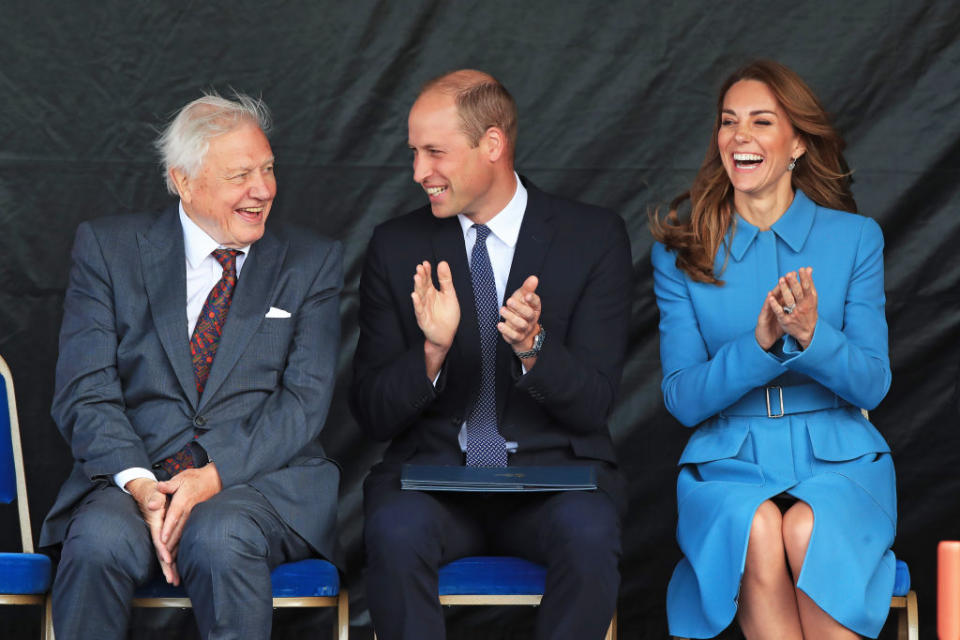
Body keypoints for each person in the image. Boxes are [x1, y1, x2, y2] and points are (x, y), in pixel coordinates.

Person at [39, 92, 343, 639]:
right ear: (183, 181)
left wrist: (212, 477)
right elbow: (86, 392)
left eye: (268, 169)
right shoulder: (109, 250)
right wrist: (139, 484)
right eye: (240, 175)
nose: (263, 190)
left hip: (259, 483)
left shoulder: (311, 261)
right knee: (98, 543)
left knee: (219, 536)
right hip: (135, 477)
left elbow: (304, 402)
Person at [351, 69, 632, 640]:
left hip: (555, 482)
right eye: (413, 153)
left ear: (493, 145)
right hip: (432, 483)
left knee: (591, 535)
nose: (418, 173)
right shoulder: (395, 244)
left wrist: (534, 348)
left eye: (435, 153)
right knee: (393, 533)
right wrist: (432, 351)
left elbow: (594, 405)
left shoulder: (593, 237)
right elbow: (374, 413)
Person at [650, 60, 896, 639]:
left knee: (805, 529)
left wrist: (812, 337)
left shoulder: (856, 239)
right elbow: (683, 399)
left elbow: (872, 385)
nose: (740, 136)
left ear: (798, 145)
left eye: (761, 121)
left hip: (842, 460)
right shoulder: (683, 252)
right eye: (728, 122)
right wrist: (760, 345)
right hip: (726, 460)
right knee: (756, 528)